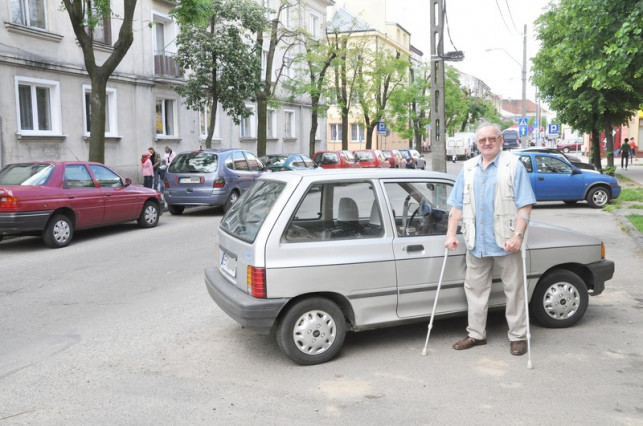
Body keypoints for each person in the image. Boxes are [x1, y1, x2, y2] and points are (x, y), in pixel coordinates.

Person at [444, 123, 537, 356]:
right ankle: (476, 334)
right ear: (476, 143)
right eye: (482, 139)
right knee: (474, 290)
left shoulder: (513, 165)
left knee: (514, 290)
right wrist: (451, 234)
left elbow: (525, 204)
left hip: (506, 241)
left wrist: (518, 236)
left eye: (491, 139)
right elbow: (456, 206)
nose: (487, 143)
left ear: (500, 140)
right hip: (477, 242)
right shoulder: (467, 168)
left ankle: (518, 336)